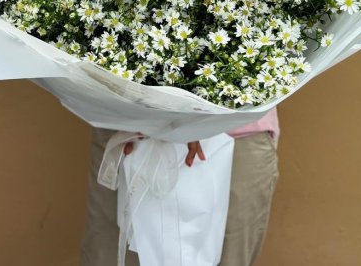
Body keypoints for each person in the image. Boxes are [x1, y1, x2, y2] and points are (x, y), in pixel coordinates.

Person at [79, 108, 279, 266]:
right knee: (115, 253)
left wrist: (194, 119)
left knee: (226, 255)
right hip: (128, 127)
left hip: (238, 131)